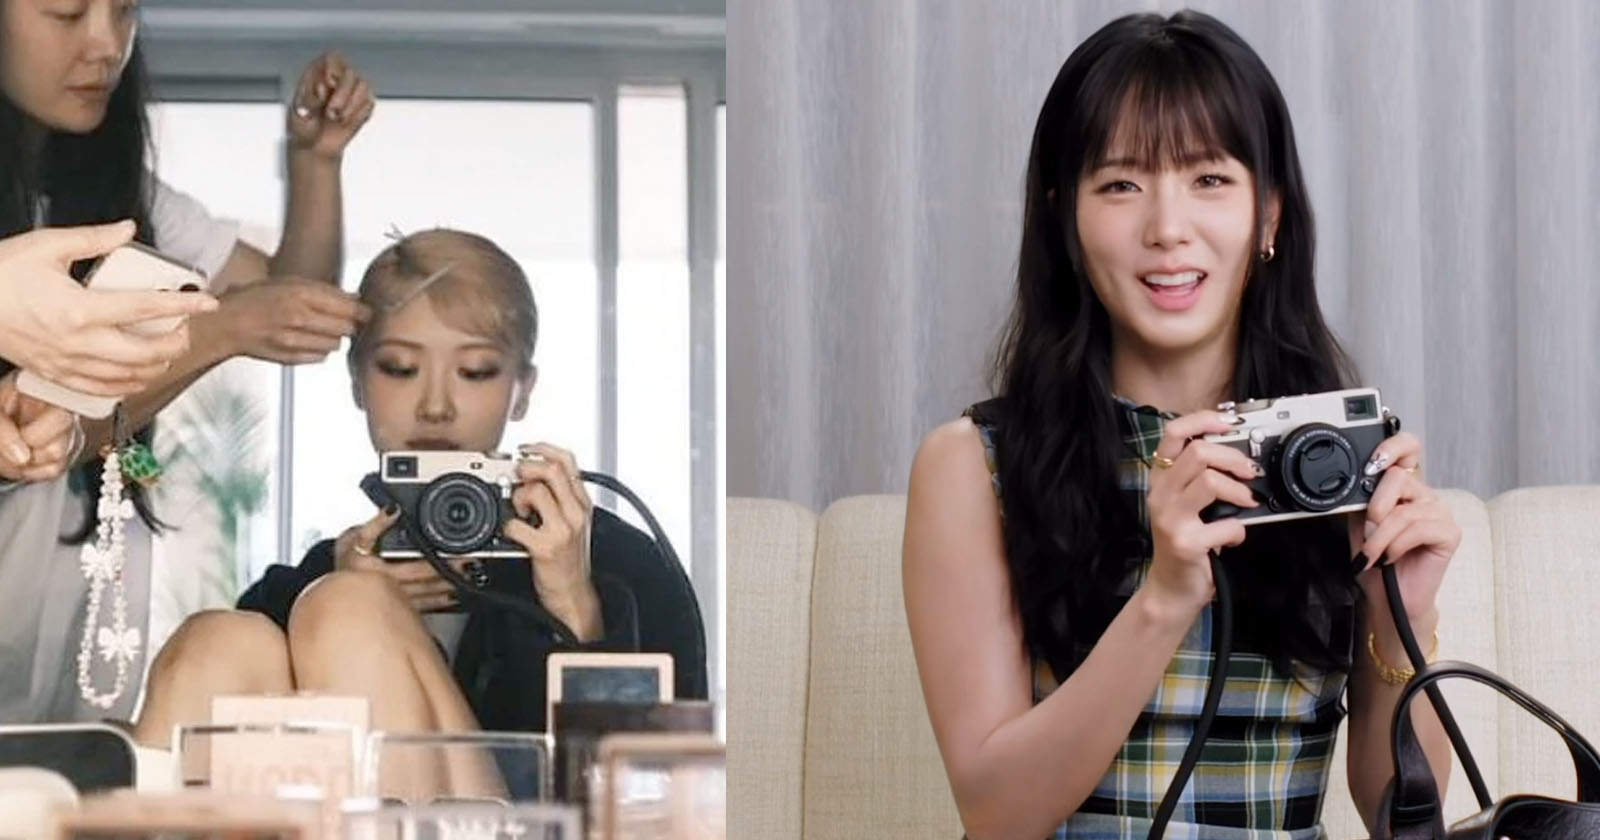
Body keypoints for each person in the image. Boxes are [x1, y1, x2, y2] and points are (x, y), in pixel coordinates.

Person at [902, 11, 1460, 840]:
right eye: (1121, 183)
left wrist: (1397, 615)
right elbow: (996, 814)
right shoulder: (978, 467)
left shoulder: (1328, 460)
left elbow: (1398, 818)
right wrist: (1162, 598)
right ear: (1066, 220)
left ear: (1268, 215)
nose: (1167, 229)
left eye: (1209, 180)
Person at [132, 230, 708, 777]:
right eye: (400, 369)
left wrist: (574, 606)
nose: (436, 405)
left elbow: (659, 791)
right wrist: (331, 587)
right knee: (221, 637)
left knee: (345, 611)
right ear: (358, 381)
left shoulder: (616, 562)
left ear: (522, 388)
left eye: (476, 371)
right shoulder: (320, 576)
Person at [0, 0, 375, 725]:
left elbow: (292, 300)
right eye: (65, 13)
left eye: (125, 10)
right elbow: (42, 424)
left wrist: (316, 162)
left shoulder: (131, 202)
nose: (107, 44)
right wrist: (226, 327)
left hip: (72, 644)